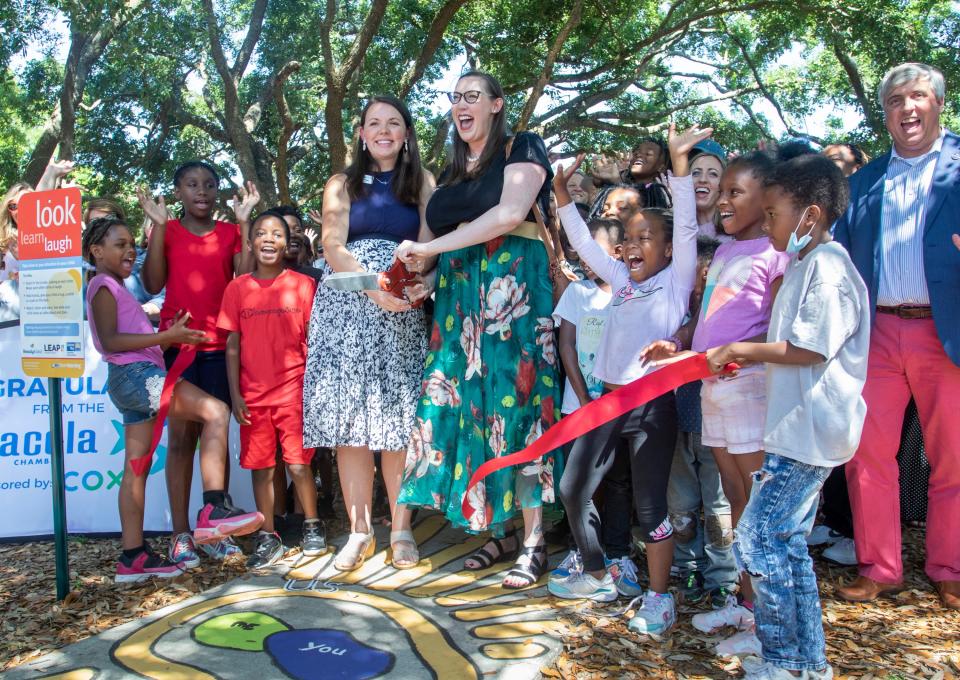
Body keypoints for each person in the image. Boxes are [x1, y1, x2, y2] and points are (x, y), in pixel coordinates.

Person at [702, 153, 869, 680]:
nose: (768, 223)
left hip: (810, 431)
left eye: (772, 213)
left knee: (761, 538)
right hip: (795, 428)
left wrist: (744, 352)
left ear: (810, 217)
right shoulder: (806, 265)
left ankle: (786, 659)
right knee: (781, 543)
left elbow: (809, 347)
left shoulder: (828, 268)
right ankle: (801, 660)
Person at [395, 71, 561, 589]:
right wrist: (416, 279)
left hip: (513, 294)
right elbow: (432, 246)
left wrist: (430, 252)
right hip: (458, 303)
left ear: (496, 103)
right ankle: (503, 531)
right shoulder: (449, 174)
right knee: (465, 411)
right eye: (455, 98)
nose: (461, 105)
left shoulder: (522, 146)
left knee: (520, 408)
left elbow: (510, 215)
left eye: (472, 96)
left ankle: (534, 541)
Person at [546, 123, 701, 638]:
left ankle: (660, 599)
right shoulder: (619, 281)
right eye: (629, 240)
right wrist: (563, 193)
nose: (633, 247)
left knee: (651, 505)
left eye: (645, 239)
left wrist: (679, 167)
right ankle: (597, 572)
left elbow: (685, 232)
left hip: (651, 407)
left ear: (665, 251)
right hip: (607, 405)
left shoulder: (674, 284)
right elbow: (587, 249)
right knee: (573, 488)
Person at [834, 62, 960, 610]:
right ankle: (880, 567)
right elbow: (833, 255)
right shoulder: (864, 181)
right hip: (877, 331)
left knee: (953, 455)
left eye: (918, 97)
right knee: (866, 455)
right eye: (896, 101)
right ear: (884, 114)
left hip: (946, 330)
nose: (908, 108)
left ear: (937, 103)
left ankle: (950, 567)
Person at [82, 216, 263, 581]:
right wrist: (166, 337)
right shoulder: (103, 285)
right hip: (138, 376)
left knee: (136, 467)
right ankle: (213, 509)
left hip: (130, 380)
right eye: (120, 244)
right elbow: (110, 341)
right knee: (216, 410)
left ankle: (133, 556)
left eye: (132, 243)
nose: (130, 250)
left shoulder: (113, 285)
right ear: (96, 251)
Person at [303, 95, 433, 572]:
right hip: (347, 305)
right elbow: (333, 245)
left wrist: (420, 279)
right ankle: (360, 531)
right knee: (350, 423)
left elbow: (430, 246)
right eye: (374, 123)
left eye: (393, 123)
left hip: (401, 305)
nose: (383, 131)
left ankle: (400, 529)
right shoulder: (341, 183)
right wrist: (371, 287)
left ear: (405, 134)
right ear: (360, 133)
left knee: (397, 422)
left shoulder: (423, 182)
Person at [138, 162, 260, 568]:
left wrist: (243, 226)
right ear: (178, 192)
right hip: (179, 350)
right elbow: (153, 284)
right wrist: (156, 229)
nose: (201, 191)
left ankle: (215, 528)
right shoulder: (168, 230)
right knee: (181, 441)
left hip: (220, 350)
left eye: (209, 185)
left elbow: (242, 281)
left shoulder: (228, 233)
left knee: (217, 436)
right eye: (191, 184)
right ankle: (180, 535)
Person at [219, 212, 326, 568]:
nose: (268, 239)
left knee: (298, 466)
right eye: (260, 233)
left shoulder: (302, 284)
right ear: (250, 243)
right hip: (252, 397)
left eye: (277, 234)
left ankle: (312, 525)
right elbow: (232, 344)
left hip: (294, 393)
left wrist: (314, 391)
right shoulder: (236, 289)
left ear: (287, 243)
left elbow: (315, 341)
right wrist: (235, 395)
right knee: (262, 468)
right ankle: (268, 535)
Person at [548, 217, 642, 598]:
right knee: (578, 485)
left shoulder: (631, 292)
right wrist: (584, 398)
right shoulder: (577, 293)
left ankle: (619, 553)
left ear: (617, 254)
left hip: (620, 409)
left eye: (596, 252)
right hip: (580, 408)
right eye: (582, 253)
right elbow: (566, 346)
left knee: (619, 483)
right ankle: (584, 553)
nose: (586, 262)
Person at [666, 236, 738, 609]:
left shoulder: (728, 319)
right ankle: (687, 566)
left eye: (707, 279)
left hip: (717, 427)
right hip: (677, 423)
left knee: (719, 505)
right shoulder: (672, 312)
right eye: (695, 278)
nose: (699, 287)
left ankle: (723, 576)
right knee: (680, 503)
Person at [689, 139, 731, 242]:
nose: (702, 180)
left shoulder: (736, 233)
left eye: (713, 174)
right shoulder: (675, 228)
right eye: (695, 173)